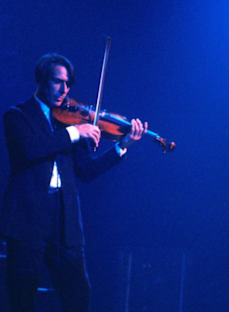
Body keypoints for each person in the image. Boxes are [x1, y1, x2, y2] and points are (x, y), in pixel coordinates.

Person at [0, 53, 148, 312]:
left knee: (78, 296)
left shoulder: (73, 118)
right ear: (42, 81)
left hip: (64, 220)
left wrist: (122, 147)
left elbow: (86, 171)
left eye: (67, 84)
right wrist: (74, 133)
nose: (64, 90)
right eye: (57, 82)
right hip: (27, 218)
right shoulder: (17, 116)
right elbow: (28, 150)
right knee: (22, 296)